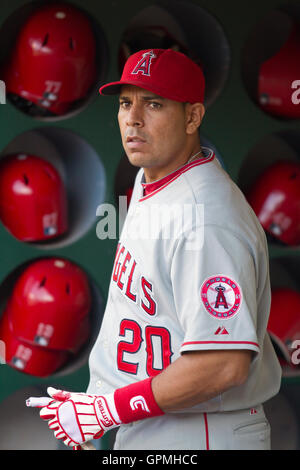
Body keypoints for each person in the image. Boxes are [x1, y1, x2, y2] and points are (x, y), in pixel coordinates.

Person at [26, 48, 282, 450]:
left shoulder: (206, 219)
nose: (134, 118)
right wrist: (99, 404)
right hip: (154, 423)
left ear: (193, 117)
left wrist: (107, 410)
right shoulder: (155, 179)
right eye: (126, 103)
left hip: (201, 432)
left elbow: (223, 363)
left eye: (154, 103)